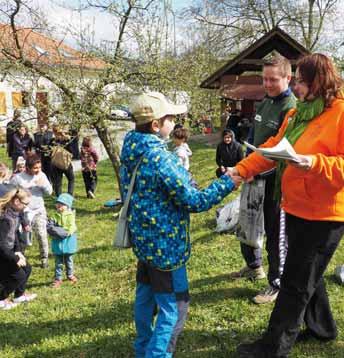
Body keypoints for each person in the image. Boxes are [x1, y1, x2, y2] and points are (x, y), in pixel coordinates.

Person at [230, 53, 344, 358]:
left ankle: (272, 347)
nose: (296, 87)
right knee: (307, 274)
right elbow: (270, 148)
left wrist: (316, 162)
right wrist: (242, 169)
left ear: (319, 82)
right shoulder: (299, 114)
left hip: (324, 214)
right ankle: (323, 328)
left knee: (295, 282)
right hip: (295, 207)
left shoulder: (341, 113)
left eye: (302, 82)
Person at [121, 92, 241, 358]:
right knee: (173, 307)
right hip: (166, 246)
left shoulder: (130, 147)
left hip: (144, 240)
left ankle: (142, 348)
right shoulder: (161, 158)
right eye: (170, 118)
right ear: (155, 125)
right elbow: (194, 201)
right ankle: (157, 354)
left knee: (145, 295)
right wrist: (227, 183)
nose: (174, 123)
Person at [229, 54, 296, 305]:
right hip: (252, 174)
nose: (267, 84)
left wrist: (254, 170)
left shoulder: (292, 107)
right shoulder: (265, 101)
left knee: (274, 232)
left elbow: (282, 151)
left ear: (288, 77)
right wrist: (244, 168)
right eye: (265, 79)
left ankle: (276, 283)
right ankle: (253, 265)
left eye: (273, 80)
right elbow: (254, 139)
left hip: (275, 182)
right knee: (247, 223)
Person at [10, 154, 52, 268]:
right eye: (35, 168)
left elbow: (50, 192)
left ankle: (44, 258)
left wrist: (43, 185)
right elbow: (10, 192)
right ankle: (20, 259)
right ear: (27, 167)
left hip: (38, 210)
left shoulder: (41, 176)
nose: (38, 170)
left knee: (42, 234)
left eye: (39, 167)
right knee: (23, 239)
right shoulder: (18, 178)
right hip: (23, 213)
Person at [0, 187, 37, 310]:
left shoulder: (15, 214)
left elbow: (14, 234)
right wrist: (15, 258)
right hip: (2, 253)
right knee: (18, 276)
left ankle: (19, 296)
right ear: (16, 202)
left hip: (9, 250)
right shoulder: (5, 219)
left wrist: (18, 250)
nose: (26, 207)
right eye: (25, 204)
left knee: (27, 269)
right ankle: (1, 299)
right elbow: (1, 244)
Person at [47, 193, 78, 288]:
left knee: (69, 260)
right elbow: (50, 226)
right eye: (57, 203)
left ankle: (70, 275)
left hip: (68, 241)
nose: (58, 206)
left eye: (62, 204)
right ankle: (58, 279)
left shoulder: (70, 215)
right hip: (58, 242)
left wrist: (66, 232)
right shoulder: (54, 215)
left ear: (67, 206)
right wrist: (52, 227)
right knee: (58, 262)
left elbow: (72, 226)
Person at [50, 128, 75, 197]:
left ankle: (59, 197)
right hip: (65, 163)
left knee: (58, 182)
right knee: (71, 179)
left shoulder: (53, 141)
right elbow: (72, 151)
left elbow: (49, 151)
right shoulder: (67, 141)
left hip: (56, 164)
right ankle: (69, 195)